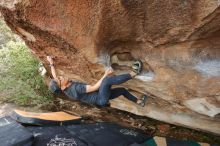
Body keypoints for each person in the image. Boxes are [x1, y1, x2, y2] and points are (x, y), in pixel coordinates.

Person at [47, 56, 147, 107]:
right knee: (107, 80)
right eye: (60, 79)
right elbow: (94, 87)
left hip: (100, 98)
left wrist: (51, 63)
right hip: (100, 98)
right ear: (62, 87)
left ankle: (139, 102)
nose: (61, 77)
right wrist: (105, 74)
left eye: (59, 77)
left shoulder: (62, 88)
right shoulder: (75, 88)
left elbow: (55, 77)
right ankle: (133, 73)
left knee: (123, 91)